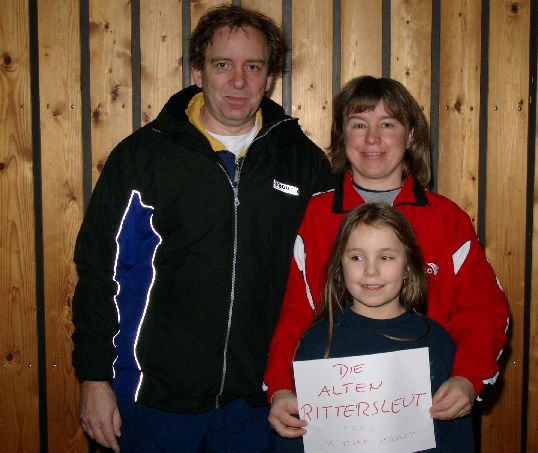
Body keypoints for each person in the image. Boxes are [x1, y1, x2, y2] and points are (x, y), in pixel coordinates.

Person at [71, 5, 333, 452]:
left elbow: (328, 278)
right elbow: (100, 272)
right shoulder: (142, 158)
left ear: (269, 77)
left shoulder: (302, 162)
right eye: (223, 65)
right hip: (151, 401)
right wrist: (94, 378)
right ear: (197, 71)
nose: (239, 81)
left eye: (253, 66)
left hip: (261, 406)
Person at [265, 76, 510, 440]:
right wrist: (281, 387)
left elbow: (484, 310)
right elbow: (295, 313)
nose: (372, 139)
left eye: (388, 125)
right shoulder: (315, 215)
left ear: (410, 136)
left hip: (427, 412)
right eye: (358, 125)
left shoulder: (447, 219)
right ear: (342, 136)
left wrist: (467, 378)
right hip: (336, 416)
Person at [291, 203, 475, 452]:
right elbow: (297, 437)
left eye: (386, 257)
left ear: (408, 267)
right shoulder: (316, 343)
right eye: (357, 257)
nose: (371, 271)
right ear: (340, 266)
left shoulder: (436, 341)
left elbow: (455, 436)